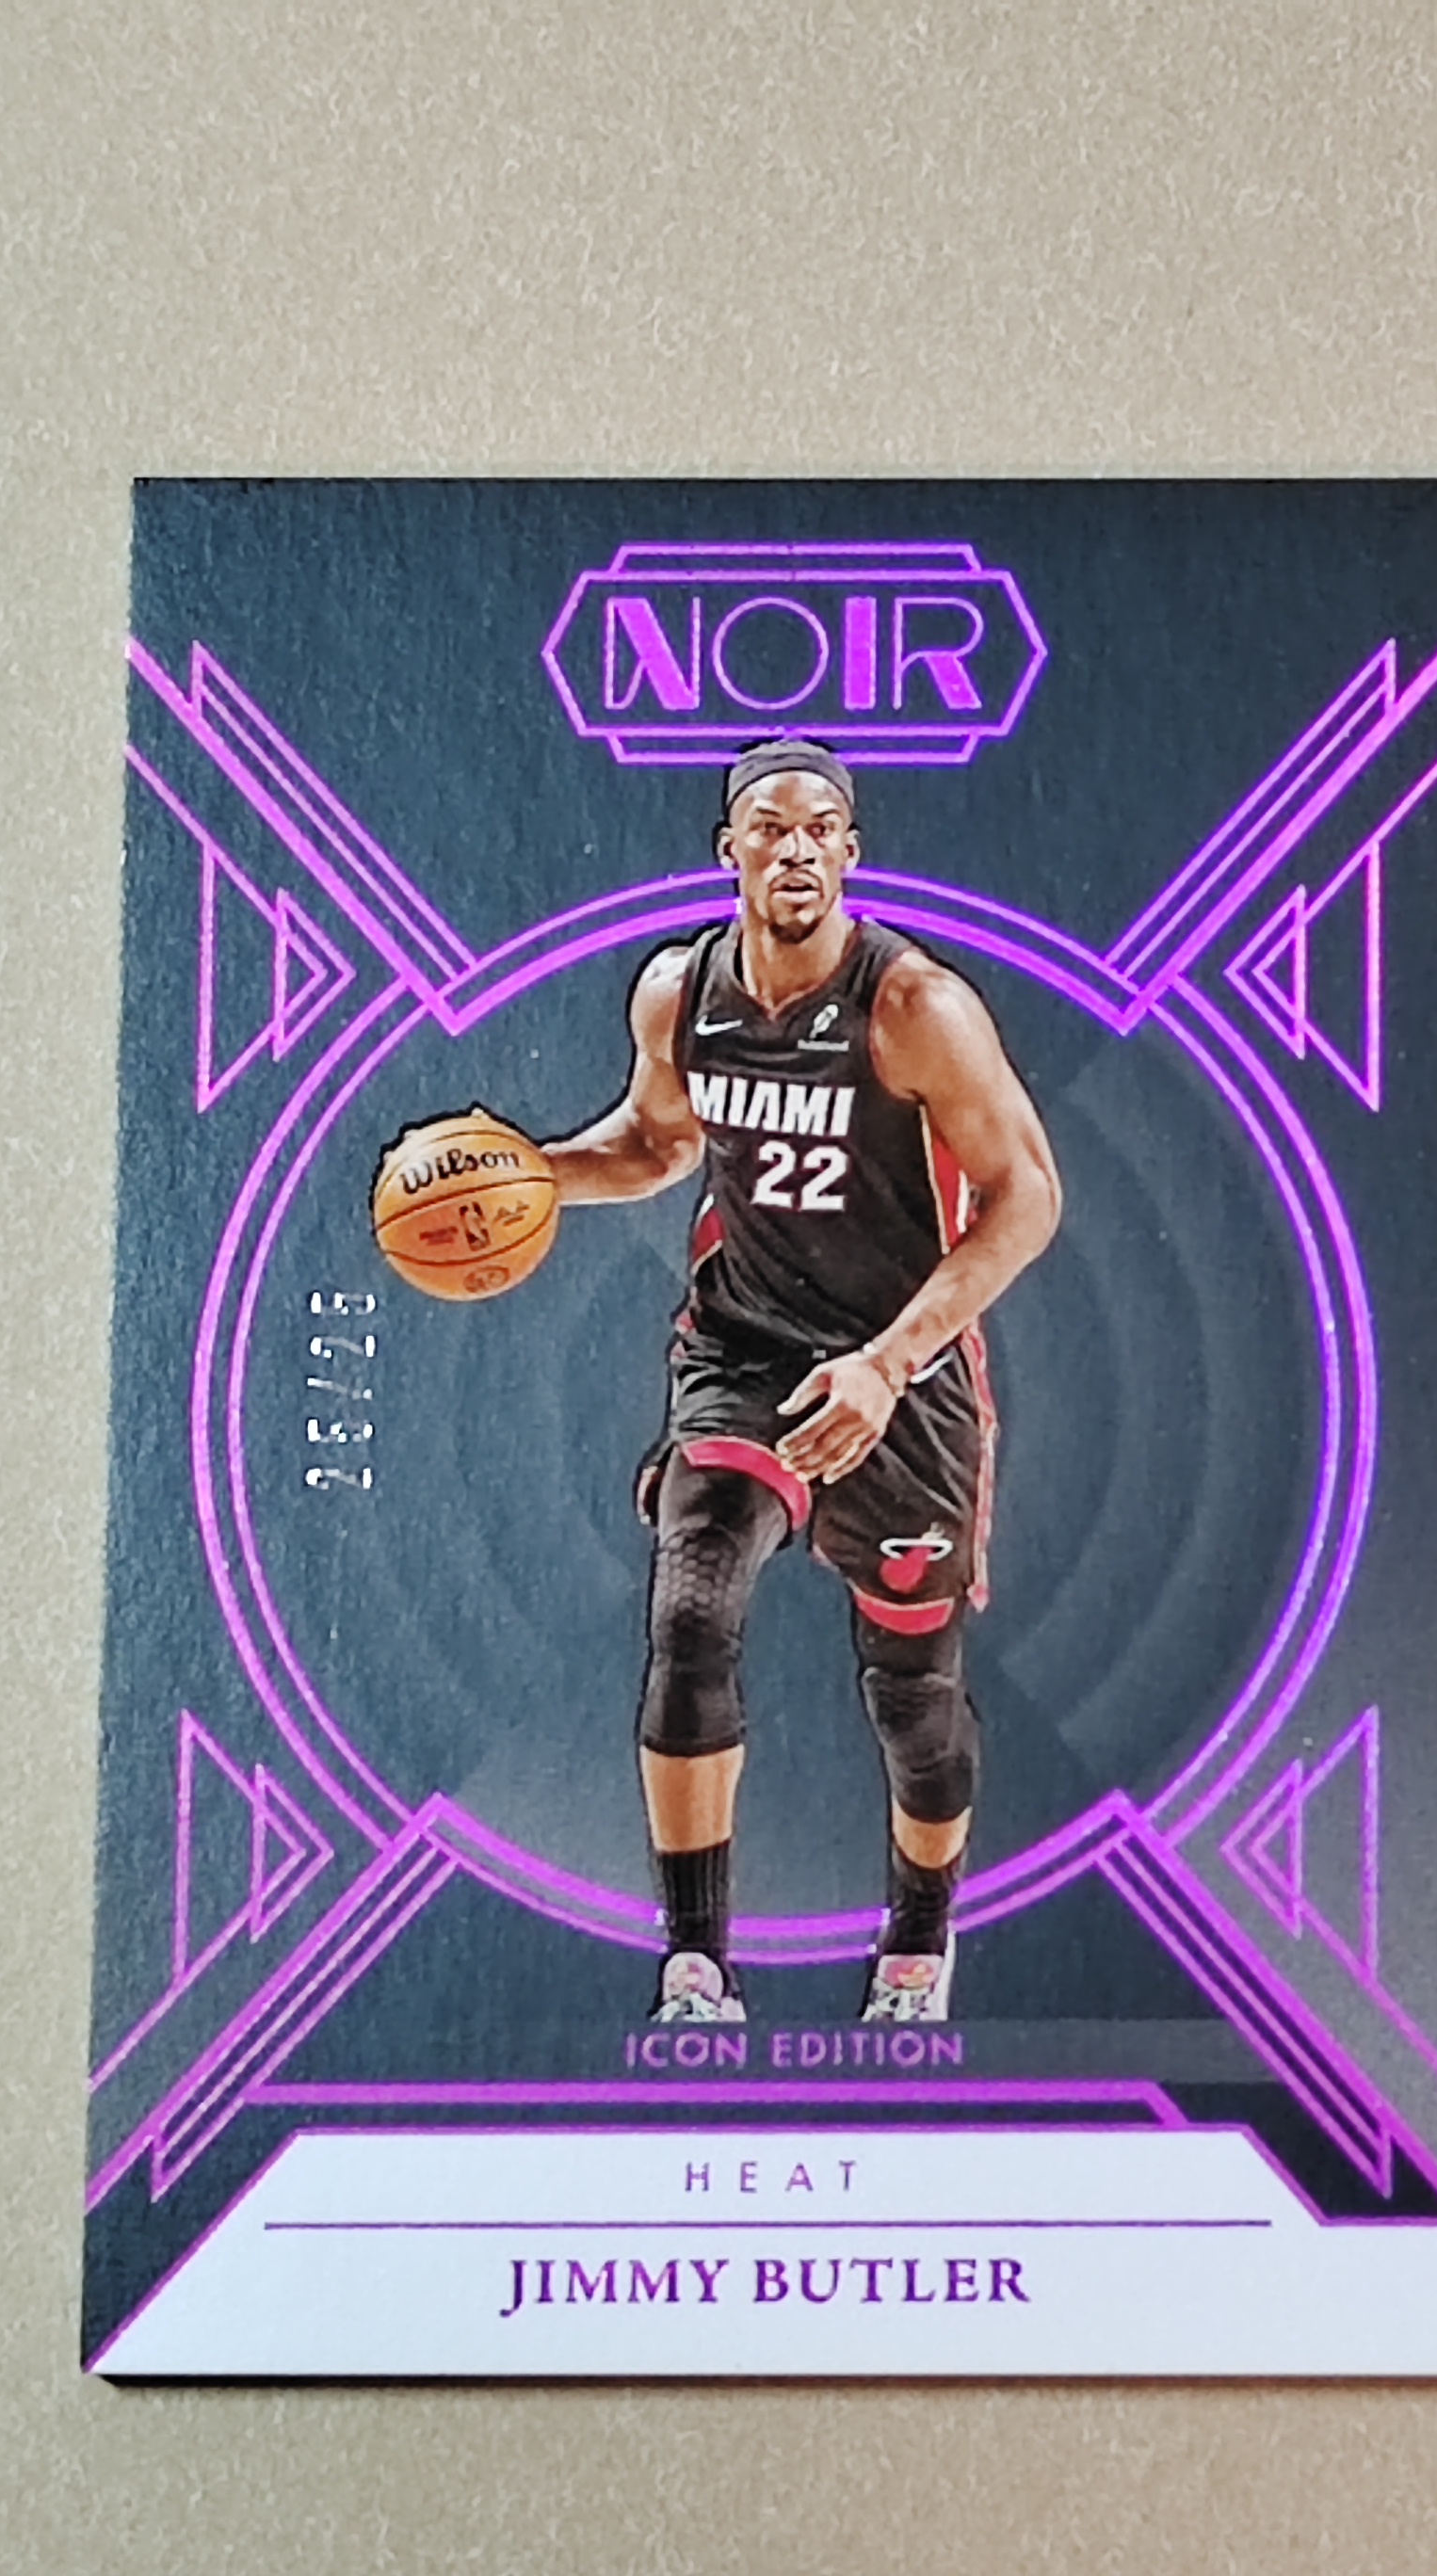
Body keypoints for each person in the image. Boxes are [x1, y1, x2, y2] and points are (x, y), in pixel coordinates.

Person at [540, 738, 1060, 2026]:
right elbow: (655, 1143)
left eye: (822, 828)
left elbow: (1028, 1195)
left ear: (850, 856)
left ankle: (920, 1940)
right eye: (771, 826)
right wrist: (530, 1173)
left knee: (913, 1696)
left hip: (900, 1370)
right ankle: (695, 1965)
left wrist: (889, 1361)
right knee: (692, 1603)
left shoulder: (914, 1007)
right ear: (731, 851)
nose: (796, 847)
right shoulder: (679, 993)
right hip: (746, 1348)